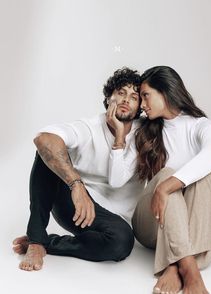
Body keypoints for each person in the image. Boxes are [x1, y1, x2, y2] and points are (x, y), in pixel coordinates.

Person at [12, 67, 145, 271]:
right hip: (77, 206)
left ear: (139, 107)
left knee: (122, 243)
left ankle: (49, 243)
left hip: (115, 219)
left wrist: (120, 137)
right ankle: (36, 239)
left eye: (134, 97)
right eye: (121, 93)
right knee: (47, 150)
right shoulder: (90, 127)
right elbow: (43, 138)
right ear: (109, 98)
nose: (126, 99)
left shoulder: (145, 133)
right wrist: (77, 185)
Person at [132, 66, 211, 294]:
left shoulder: (202, 126)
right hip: (150, 224)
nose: (142, 104)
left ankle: (175, 266)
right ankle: (191, 272)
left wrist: (168, 187)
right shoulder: (144, 128)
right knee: (166, 173)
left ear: (165, 91)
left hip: (186, 230)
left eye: (146, 95)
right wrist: (163, 186)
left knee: (206, 173)